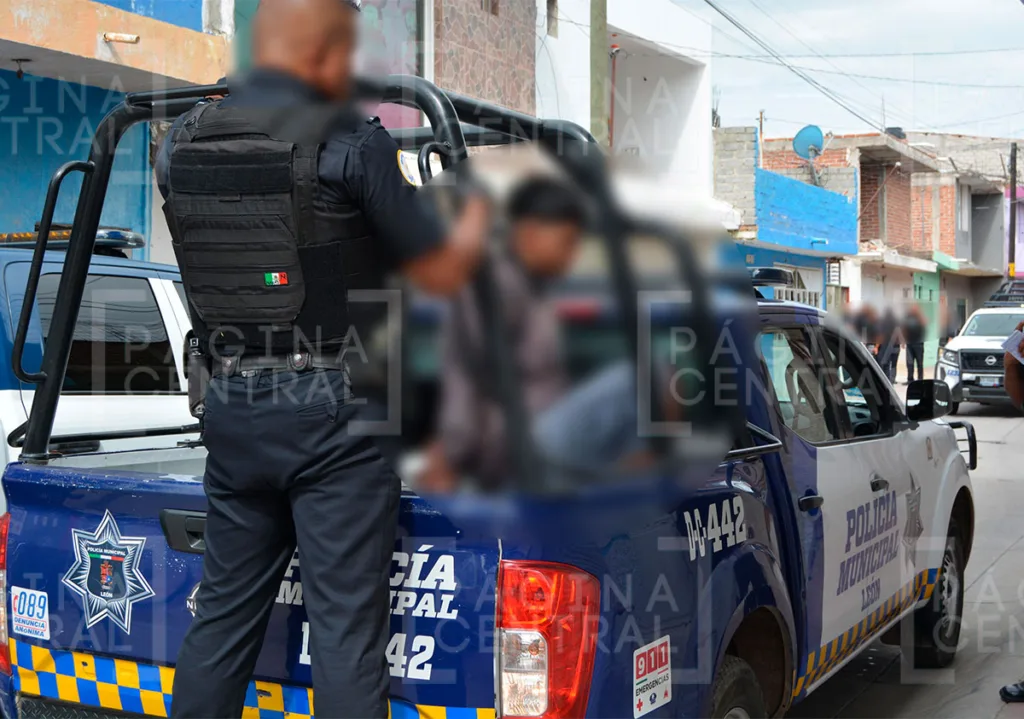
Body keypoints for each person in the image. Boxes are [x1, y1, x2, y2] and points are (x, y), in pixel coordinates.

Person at [156, 0, 491, 717]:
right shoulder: (351, 141)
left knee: (220, 621)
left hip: (231, 404)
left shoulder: (180, 139)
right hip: (335, 412)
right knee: (344, 632)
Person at [420, 175, 583, 491]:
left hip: (540, 444)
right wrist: (451, 453)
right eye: (567, 241)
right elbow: (467, 377)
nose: (572, 255)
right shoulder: (498, 286)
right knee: (650, 382)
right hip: (522, 447)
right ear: (529, 232)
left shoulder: (532, 287)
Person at [903, 304, 927, 383]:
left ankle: (920, 379)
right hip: (909, 344)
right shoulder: (908, 317)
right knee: (909, 363)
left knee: (919, 363)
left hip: (918, 344)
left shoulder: (921, 317)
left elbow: (925, 326)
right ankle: (910, 379)